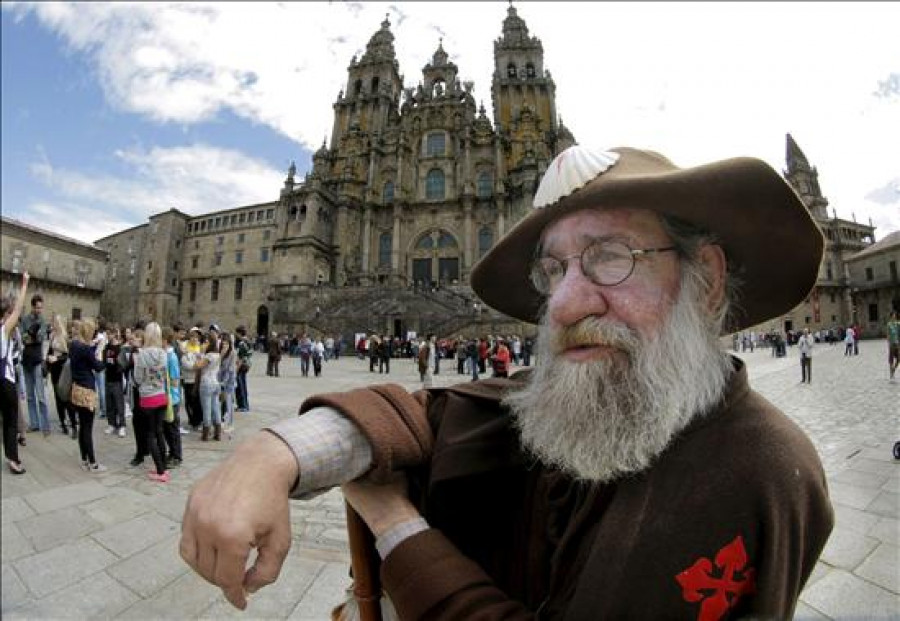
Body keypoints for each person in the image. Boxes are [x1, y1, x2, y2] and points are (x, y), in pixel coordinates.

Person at [181, 145, 833, 618]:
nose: (568, 302)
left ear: (708, 277)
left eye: (610, 256)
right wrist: (276, 451)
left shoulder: (760, 471)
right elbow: (442, 412)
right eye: (553, 269)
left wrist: (394, 521)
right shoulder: (589, 397)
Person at [132, 322, 170, 483]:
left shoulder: (142, 354)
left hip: (148, 397)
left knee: (150, 435)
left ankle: (160, 471)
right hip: (161, 395)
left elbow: (138, 378)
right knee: (159, 432)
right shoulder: (163, 353)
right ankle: (163, 466)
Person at [69, 318, 107, 473]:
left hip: (76, 388)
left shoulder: (75, 345)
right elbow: (98, 367)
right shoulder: (85, 349)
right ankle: (93, 463)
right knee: (87, 428)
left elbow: (85, 354)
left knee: (82, 426)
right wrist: (101, 351)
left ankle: (84, 459)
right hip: (86, 390)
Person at [1, 272, 30, 474]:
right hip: (4, 380)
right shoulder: (3, 330)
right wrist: (25, 284)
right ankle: (13, 460)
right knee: (10, 421)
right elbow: (19, 308)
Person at [19, 292, 51, 436]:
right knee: (30, 396)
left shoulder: (43, 321)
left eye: (41, 308)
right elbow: (23, 338)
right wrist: (31, 335)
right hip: (26, 360)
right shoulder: (25, 319)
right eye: (37, 307)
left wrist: (32, 335)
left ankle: (45, 426)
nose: (39, 310)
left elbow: (40, 337)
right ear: (32, 306)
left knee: (41, 396)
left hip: (37, 360)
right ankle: (34, 424)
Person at [235, 326, 252, 412]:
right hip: (247, 365)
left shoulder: (242, 343)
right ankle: (245, 405)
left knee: (240, 386)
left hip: (242, 366)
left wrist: (236, 369)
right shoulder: (248, 341)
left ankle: (243, 406)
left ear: (239, 333)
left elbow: (241, 358)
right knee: (243, 386)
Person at [887, 309, 899, 381]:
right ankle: (891, 373)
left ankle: (894, 369)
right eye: (893, 315)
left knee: (898, 359)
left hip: (897, 343)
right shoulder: (889, 324)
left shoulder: (898, 324)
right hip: (892, 344)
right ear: (891, 317)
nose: (894, 317)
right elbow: (888, 334)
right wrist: (889, 343)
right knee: (891, 359)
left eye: (895, 315)